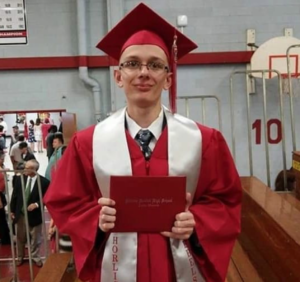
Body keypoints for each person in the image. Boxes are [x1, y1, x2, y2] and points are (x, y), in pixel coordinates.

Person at [45, 4, 242, 282]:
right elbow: (65, 203)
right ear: (118, 76)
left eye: (156, 64)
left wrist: (197, 221)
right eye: (133, 63)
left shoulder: (204, 141)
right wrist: (96, 220)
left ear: (168, 79)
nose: (144, 72)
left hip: (179, 269)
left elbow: (226, 200)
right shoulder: (87, 143)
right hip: (116, 268)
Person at [10, 159, 50, 267]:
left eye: (27, 168)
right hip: (21, 214)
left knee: (35, 238)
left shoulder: (44, 182)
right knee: (20, 238)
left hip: (35, 216)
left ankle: (35, 257)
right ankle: (20, 257)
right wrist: (12, 210)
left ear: (34, 170)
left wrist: (37, 204)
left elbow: (46, 198)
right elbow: (14, 195)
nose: (24, 169)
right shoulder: (20, 179)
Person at [0, 152, 11, 245]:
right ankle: (5, 239)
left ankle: (5, 237)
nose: (2, 160)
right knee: (2, 219)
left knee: (3, 218)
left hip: (2, 195)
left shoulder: (1, 167)